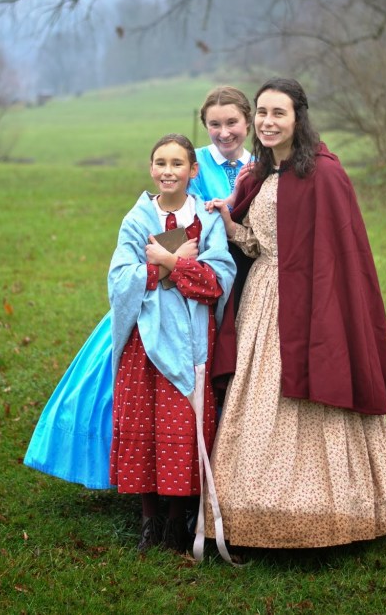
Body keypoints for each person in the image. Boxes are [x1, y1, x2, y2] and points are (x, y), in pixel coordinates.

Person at [204, 78, 386, 551]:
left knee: (312, 393)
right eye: (262, 113)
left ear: (299, 117)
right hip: (265, 297)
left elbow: (340, 252)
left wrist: (321, 305)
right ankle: (251, 509)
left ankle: (331, 509)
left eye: (279, 113)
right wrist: (230, 220)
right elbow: (257, 245)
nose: (268, 122)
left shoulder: (323, 172)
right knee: (259, 400)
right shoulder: (256, 175)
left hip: (313, 300)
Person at [24, 86, 252, 490]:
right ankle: (150, 486)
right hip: (168, 300)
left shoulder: (259, 165)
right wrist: (169, 265)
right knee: (142, 392)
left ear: (247, 123)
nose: (223, 131)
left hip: (237, 277)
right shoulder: (190, 162)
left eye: (232, 122)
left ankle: (230, 472)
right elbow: (164, 227)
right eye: (214, 124)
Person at [108, 134, 236, 552]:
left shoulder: (207, 220)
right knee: (144, 421)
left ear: (192, 171)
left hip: (193, 340)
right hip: (145, 341)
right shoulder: (136, 220)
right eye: (160, 163)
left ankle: (178, 520)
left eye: (177, 163)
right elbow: (120, 280)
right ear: (150, 169)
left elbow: (215, 280)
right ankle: (149, 519)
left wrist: (164, 262)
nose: (168, 171)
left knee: (184, 422)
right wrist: (175, 266)